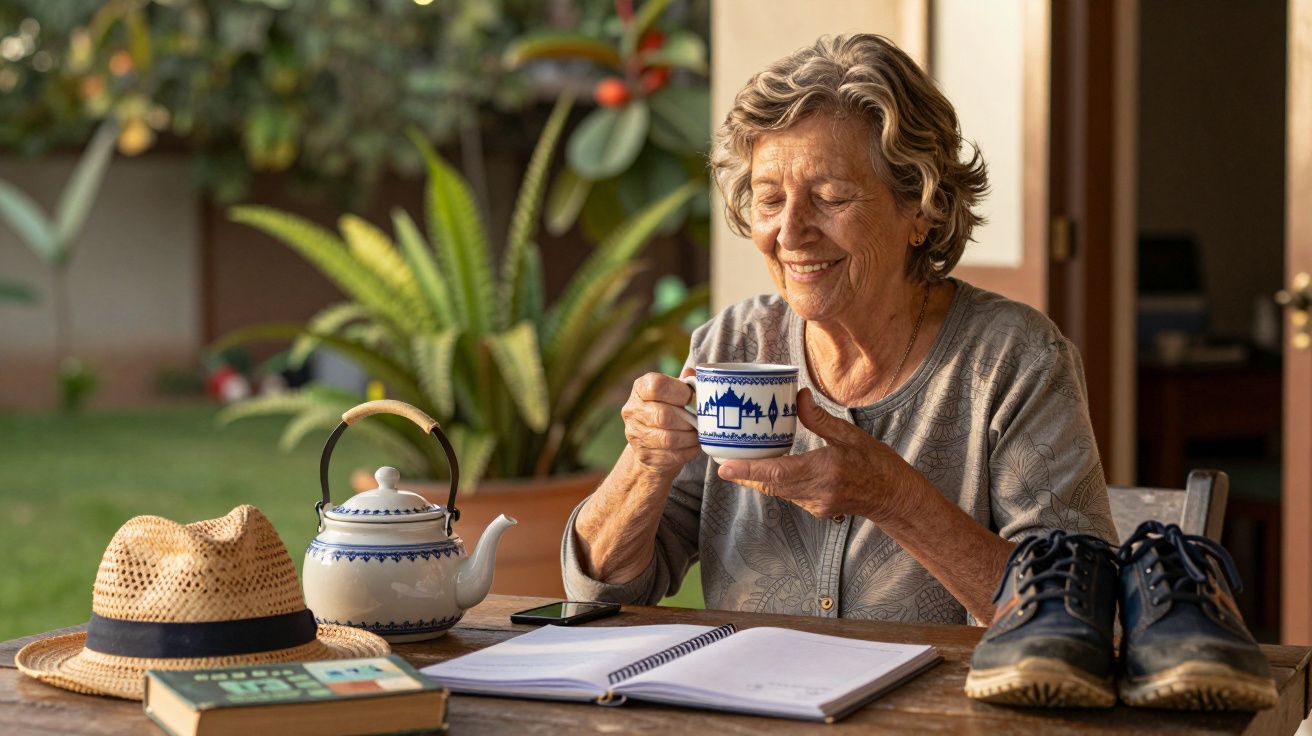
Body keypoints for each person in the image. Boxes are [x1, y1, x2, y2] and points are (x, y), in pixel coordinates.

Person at [561, 34, 1116, 625]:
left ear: (920, 208)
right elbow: (598, 593)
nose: (790, 231)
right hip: (752, 684)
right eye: (769, 200)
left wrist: (895, 499)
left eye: (830, 197)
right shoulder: (733, 344)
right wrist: (644, 464)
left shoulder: (1014, 359)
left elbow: (1079, 612)